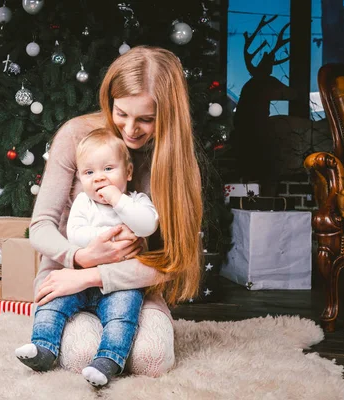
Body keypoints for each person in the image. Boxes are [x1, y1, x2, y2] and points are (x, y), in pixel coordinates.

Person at [27, 45, 203, 378]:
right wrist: (79, 257)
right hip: (66, 282)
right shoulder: (76, 137)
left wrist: (93, 274)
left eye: (146, 119)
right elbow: (40, 227)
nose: (130, 128)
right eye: (121, 112)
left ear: (168, 115)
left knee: (151, 360)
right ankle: (51, 329)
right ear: (110, 100)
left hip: (134, 286)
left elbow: (174, 261)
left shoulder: (177, 164)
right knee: (80, 357)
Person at [15, 129, 159, 387]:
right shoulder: (84, 203)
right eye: (89, 173)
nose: (99, 178)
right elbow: (76, 235)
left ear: (128, 172)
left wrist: (118, 200)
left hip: (120, 285)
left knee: (123, 316)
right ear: (80, 178)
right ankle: (43, 347)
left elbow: (147, 226)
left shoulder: (137, 201)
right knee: (52, 302)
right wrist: (111, 238)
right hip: (78, 280)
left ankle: (108, 360)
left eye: (108, 169)